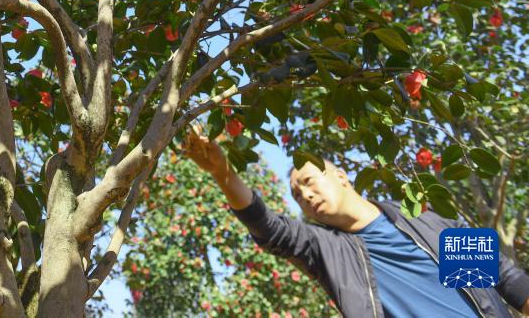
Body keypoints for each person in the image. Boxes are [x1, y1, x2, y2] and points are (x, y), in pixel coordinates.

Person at [185, 124, 529, 318]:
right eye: (297, 196)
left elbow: (504, 277)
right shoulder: (329, 251)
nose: (305, 196)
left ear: (341, 176)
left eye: (308, 182)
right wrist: (222, 173)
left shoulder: (424, 221)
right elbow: (269, 228)